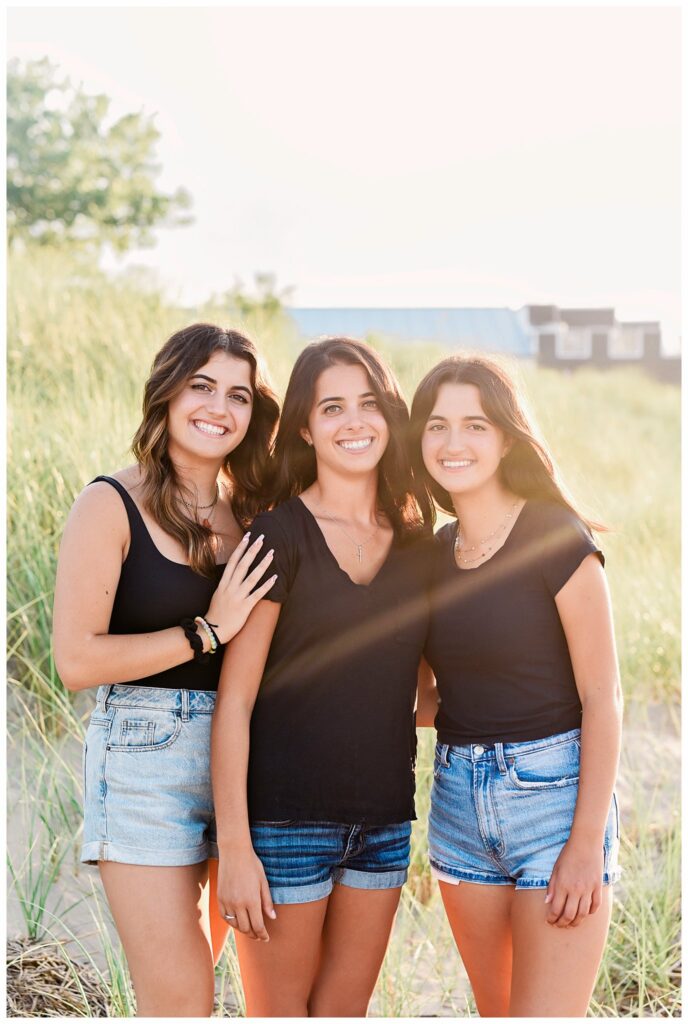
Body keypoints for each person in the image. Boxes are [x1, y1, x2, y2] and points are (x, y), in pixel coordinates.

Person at [52, 323, 280, 1017]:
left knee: (209, 986)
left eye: (238, 395)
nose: (219, 407)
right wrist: (207, 629)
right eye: (201, 385)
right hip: (143, 757)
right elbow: (76, 660)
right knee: (181, 1002)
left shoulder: (255, 516)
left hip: (245, 762)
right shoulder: (109, 504)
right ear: (167, 392)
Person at [210, 337, 435, 1017]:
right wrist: (236, 849)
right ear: (305, 427)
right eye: (332, 407)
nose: (354, 422)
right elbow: (236, 702)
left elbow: (420, 694)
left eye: (369, 404)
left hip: (385, 823)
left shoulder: (418, 543)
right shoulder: (277, 536)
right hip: (283, 824)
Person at [409, 354, 622, 1018]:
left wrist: (586, 844)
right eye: (438, 426)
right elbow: (427, 699)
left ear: (506, 436)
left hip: (553, 805)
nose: (454, 443)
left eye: (475, 425)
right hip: (458, 809)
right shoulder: (431, 556)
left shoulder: (555, 538)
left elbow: (602, 698)